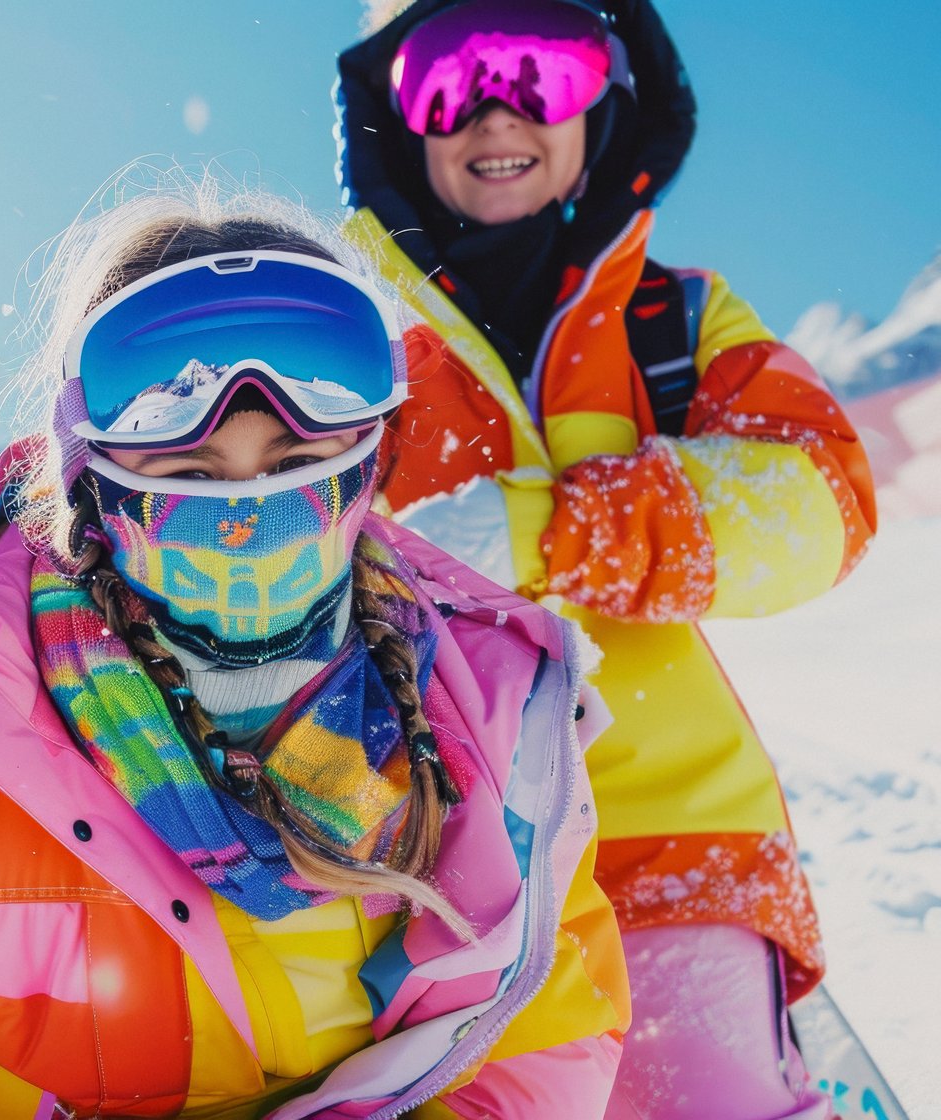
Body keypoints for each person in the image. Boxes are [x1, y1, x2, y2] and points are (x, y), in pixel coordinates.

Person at [0, 187, 628, 1119]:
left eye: (296, 469)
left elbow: (543, 1036)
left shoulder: (484, 735)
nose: (248, 517)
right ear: (96, 493)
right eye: (190, 476)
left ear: (369, 463)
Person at [335, 2, 876, 1115]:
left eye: (539, 66)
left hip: (682, 852)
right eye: (447, 74)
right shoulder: (370, 391)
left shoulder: (669, 325)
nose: (496, 109)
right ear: (392, 116)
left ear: (607, 91)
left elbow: (819, 500)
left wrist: (547, 530)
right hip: (462, 902)